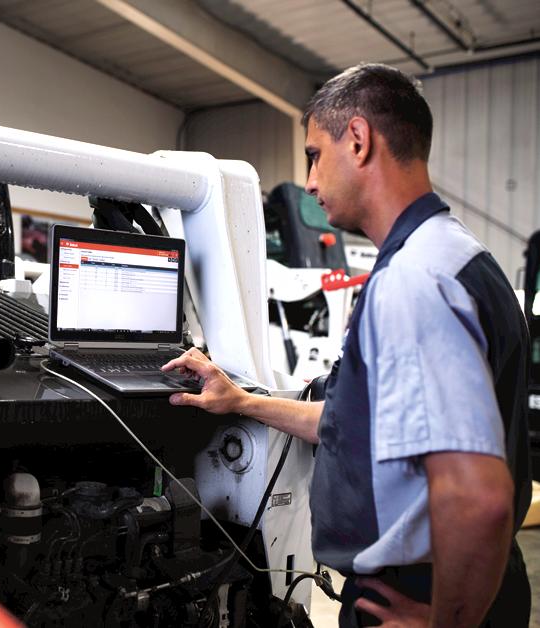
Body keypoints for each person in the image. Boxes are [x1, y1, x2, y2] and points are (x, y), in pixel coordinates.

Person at [163, 63, 531, 627]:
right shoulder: (461, 258)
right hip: (466, 582)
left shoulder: (416, 281)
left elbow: (480, 499)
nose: (309, 181)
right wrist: (241, 401)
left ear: (358, 140)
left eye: (314, 153)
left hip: (424, 593)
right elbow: (352, 423)